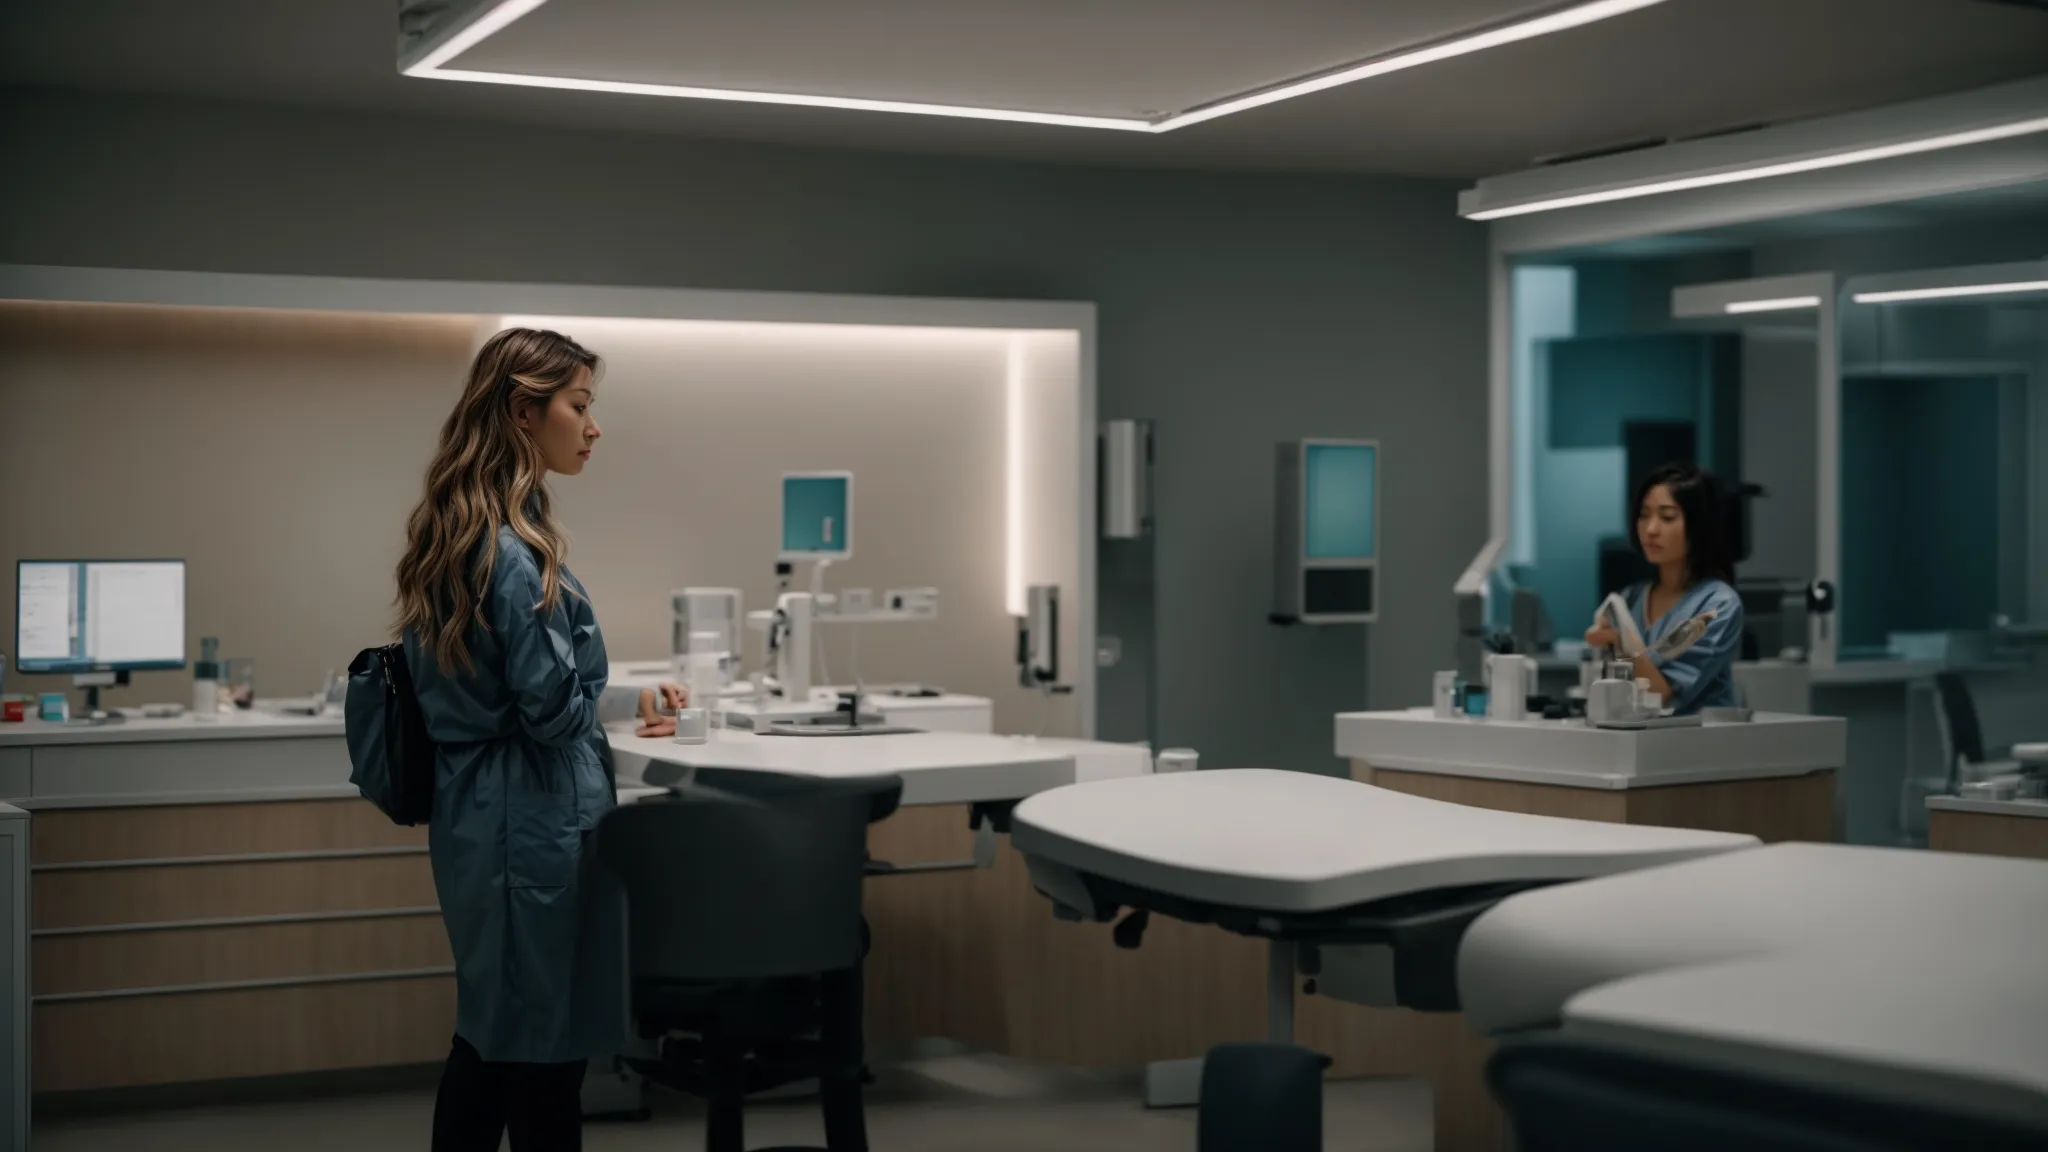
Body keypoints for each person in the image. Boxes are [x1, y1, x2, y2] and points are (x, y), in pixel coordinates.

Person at [393, 328, 686, 1151]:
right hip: (530, 825)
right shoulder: (516, 556)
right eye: (580, 406)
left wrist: (620, 698)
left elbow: (515, 690)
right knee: (540, 1054)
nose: (593, 428)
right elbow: (552, 710)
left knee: (497, 1035)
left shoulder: (466, 530)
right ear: (526, 411)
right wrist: (593, 688)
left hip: (488, 818)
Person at [1584, 462, 1745, 715]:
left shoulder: (1718, 604)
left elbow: (1660, 694)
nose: (1651, 529)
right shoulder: (1630, 599)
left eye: (1667, 517)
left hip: (1703, 743)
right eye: (1644, 515)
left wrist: (1622, 642)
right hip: (1639, 742)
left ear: (1698, 526)